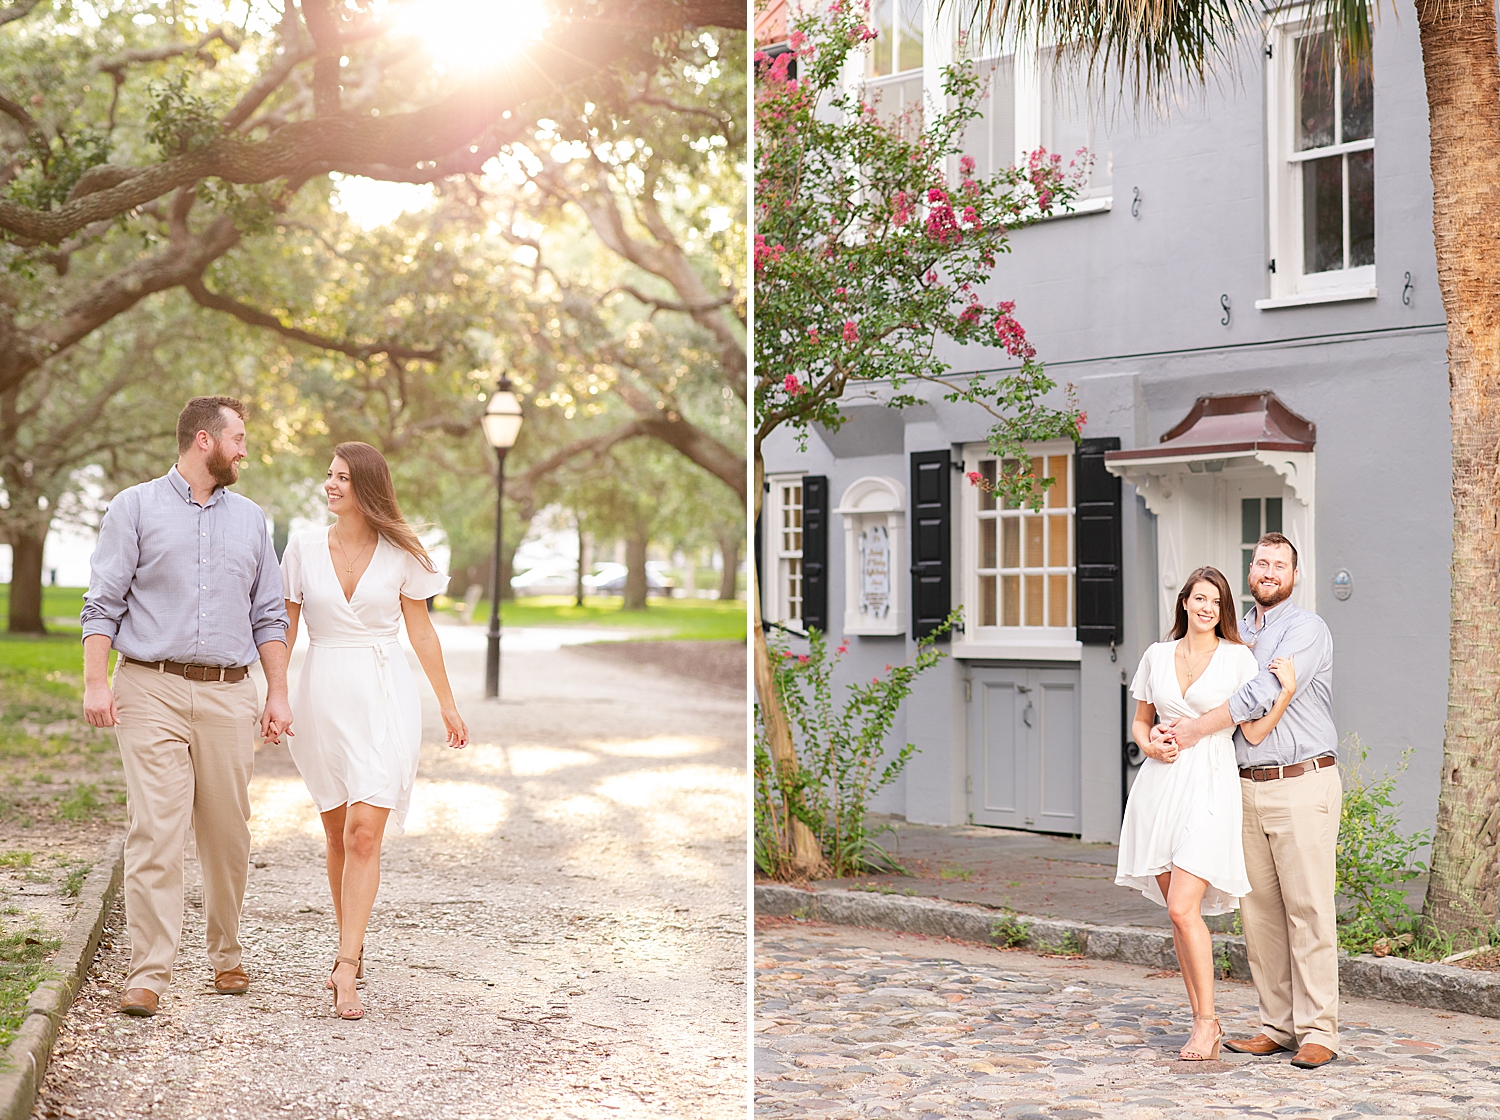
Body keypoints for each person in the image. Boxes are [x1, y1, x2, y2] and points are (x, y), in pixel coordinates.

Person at [80, 396, 292, 1018]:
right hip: (150, 689)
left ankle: (226, 952)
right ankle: (149, 972)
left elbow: (269, 614)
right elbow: (103, 602)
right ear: (205, 440)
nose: (245, 450)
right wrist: (97, 681)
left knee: (227, 835)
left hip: (230, 693)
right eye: (239, 439)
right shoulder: (134, 507)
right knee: (156, 829)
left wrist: (277, 691)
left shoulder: (252, 519)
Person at [279, 441, 468, 1020]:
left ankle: (344, 965)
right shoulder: (304, 548)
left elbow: (422, 633)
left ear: (366, 485)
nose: (329, 484)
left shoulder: (403, 553)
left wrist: (448, 704)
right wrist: (275, 696)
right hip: (323, 697)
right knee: (337, 832)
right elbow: (284, 629)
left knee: (365, 832)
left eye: (341, 477)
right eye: (328, 475)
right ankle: (352, 948)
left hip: (385, 695)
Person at [1163, 533, 1339, 1070]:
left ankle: (1319, 1031)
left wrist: (1192, 730)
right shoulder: (1232, 630)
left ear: (1293, 574)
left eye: (1278, 564)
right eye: (1260, 562)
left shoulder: (1305, 629)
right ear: (1250, 571)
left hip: (1301, 781)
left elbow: (1256, 694)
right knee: (1258, 914)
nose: (1268, 571)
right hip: (1241, 784)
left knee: (1308, 909)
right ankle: (1276, 1026)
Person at [1116, 566, 1297, 1061]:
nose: (1206, 609)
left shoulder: (1239, 658)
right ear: (1185, 603)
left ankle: (1205, 1022)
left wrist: (1282, 693)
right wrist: (1148, 747)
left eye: (1216, 603)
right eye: (1199, 599)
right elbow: (1140, 722)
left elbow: (1254, 733)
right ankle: (1204, 1020)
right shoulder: (1156, 655)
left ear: (1224, 612)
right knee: (1179, 917)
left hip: (1212, 783)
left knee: (1181, 907)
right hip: (1158, 787)